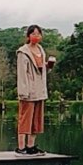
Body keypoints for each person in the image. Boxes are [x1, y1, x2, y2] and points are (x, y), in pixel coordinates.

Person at [15, 24, 55, 155]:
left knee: (36, 120)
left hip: (39, 90)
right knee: (25, 118)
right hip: (28, 91)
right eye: (33, 34)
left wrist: (48, 65)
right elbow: (22, 73)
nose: (36, 36)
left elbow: (40, 68)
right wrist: (23, 92)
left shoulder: (41, 50)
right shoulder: (23, 52)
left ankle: (31, 146)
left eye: (38, 34)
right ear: (28, 36)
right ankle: (21, 148)